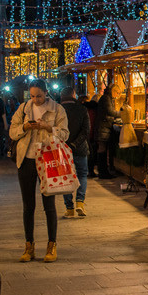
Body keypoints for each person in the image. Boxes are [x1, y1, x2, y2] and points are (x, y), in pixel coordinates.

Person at [8, 79, 69, 262]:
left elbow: (65, 134)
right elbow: (12, 131)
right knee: (28, 206)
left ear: (46, 93)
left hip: (48, 160)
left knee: (49, 206)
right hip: (26, 160)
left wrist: (48, 127)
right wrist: (25, 127)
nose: (36, 99)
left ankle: (52, 245)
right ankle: (29, 246)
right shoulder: (24, 108)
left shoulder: (57, 109)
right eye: (33, 96)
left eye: (39, 96)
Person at [59, 90, 91, 219]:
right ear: (74, 95)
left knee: (65, 178)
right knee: (82, 174)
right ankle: (80, 202)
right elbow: (86, 130)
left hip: (63, 149)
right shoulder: (82, 109)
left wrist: (67, 145)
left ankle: (69, 208)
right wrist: (76, 143)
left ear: (62, 97)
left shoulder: (59, 110)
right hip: (80, 148)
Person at [97, 86, 120, 179]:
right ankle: (103, 172)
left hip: (103, 127)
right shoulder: (106, 98)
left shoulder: (106, 98)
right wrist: (123, 113)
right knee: (102, 149)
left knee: (103, 149)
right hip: (103, 128)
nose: (117, 95)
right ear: (113, 91)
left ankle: (103, 171)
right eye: (117, 92)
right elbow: (110, 111)